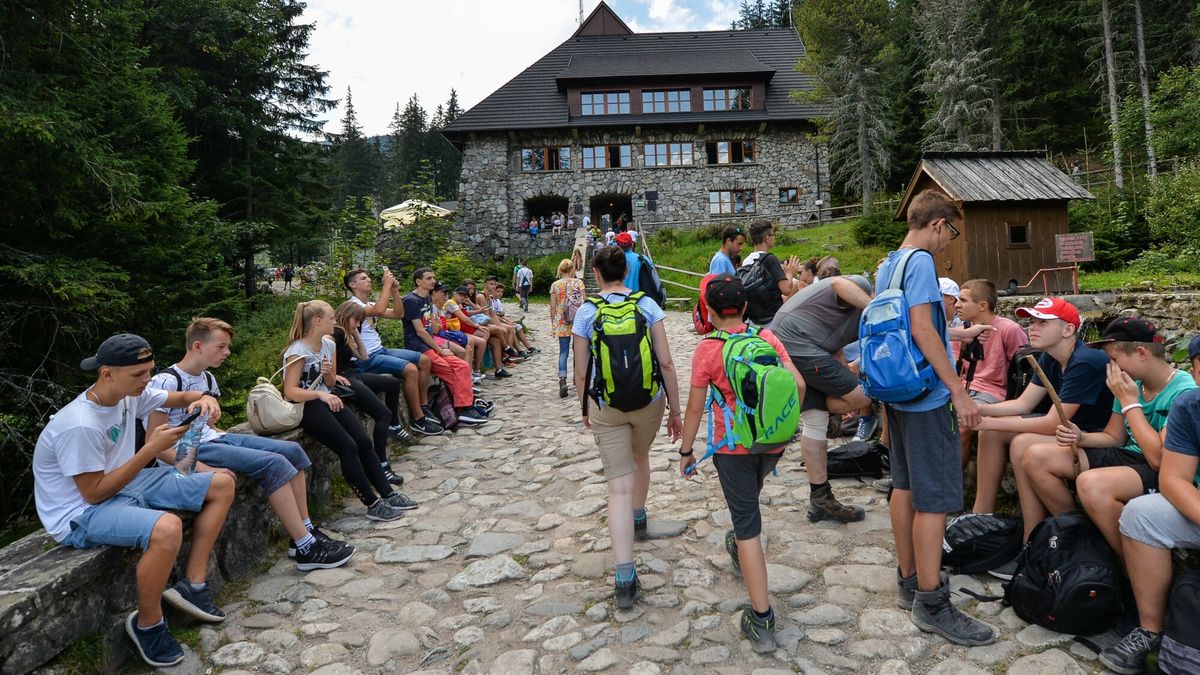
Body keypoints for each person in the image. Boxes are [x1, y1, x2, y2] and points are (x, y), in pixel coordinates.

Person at [32, 334, 230, 667]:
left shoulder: (130, 394)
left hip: (124, 484)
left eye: (149, 371)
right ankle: (149, 625)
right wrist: (150, 450)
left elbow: (180, 395)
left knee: (222, 483)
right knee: (166, 528)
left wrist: (204, 398)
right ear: (107, 373)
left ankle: (193, 585)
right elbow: (94, 492)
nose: (147, 380)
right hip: (80, 513)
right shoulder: (79, 425)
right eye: (138, 374)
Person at [876, 189, 996, 646]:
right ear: (939, 223)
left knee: (904, 486)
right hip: (926, 396)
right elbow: (923, 328)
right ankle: (932, 600)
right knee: (935, 499)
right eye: (952, 231)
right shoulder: (922, 263)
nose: (949, 241)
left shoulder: (889, 262)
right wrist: (959, 391)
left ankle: (908, 580)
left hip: (897, 390)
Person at [148, 318, 355, 571]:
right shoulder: (165, 382)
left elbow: (209, 428)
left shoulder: (208, 379)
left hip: (212, 439)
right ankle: (306, 547)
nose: (227, 352)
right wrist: (203, 468)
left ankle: (305, 530)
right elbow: (155, 446)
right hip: (186, 450)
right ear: (198, 346)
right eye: (221, 346)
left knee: (293, 450)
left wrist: (229, 438)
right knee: (275, 464)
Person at [679, 276, 805, 653]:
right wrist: (782, 427)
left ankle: (761, 618)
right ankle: (738, 544)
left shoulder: (707, 350)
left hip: (731, 448)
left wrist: (686, 452)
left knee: (748, 525)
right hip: (772, 444)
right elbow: (797, 385)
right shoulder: (767, 339)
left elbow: (694, 407)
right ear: (746, 308)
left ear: (711, 312)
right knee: (749, 502)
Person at [572, 247, 683, 610]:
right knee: (642, 455)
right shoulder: (648, 306)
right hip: (649, 403)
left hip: (607, 406)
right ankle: (639, 515)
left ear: (595, 272)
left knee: (617, 486)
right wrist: (676, 411)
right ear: (626, 269)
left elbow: (580, 370)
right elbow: (665, 362)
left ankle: (624, 576)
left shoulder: (587, 312)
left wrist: (585, 405)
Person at [970, 297, 1115, 554]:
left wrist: (981, 422)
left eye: (1043, 322)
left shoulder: (1086, 361)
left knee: (1020, 442)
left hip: (1092, 439)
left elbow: (1052, 423)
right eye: (1031, 321)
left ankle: (1037, 536)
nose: (1032, 327)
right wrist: (973, 409)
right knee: (992, 433)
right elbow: (1023, 405)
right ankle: (981, 517)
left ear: (1068, 330)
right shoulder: (1049, 358)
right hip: (1066, 434)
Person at [1099, 335, 1200, 674]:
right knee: (1140, 514)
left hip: (1144, 461)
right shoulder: (1191, 405)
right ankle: (1150, 630)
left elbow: (1155, 460)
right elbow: (1173, 478)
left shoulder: (1177, 391)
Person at [1054, 319, 1196, 556]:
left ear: (1141, 353)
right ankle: (1076, 539)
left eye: (1115, 360)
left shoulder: (1184, 391)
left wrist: (1131, 403)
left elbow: (1158, 460)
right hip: (1131, 454)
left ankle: (1127, 561)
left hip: (1164, 468)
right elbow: (1114, 436)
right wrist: (1082, 437)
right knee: (1037, 455)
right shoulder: (1133, 384)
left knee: (1091, 484)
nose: (1111, 368)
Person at [282, 301, 415, 522]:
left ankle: (388, 493)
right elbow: (291, 392)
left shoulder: (328, 345)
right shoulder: (297, 351)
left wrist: (327, 377)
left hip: (328, 399)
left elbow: (331, 381)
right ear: (317, 321)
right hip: (308, 405)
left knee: (363, 441)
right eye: (331, 318)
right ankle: (372, 504)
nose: (335, 322)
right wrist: (321, 394)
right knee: (348, 447)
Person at [768, 273, 875, 523]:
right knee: (863, 396)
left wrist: (843, 369)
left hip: (793, 343)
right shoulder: (862, 287)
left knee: (815, 420)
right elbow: (838, 283)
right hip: (799, 343)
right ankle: (825, 409)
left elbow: (835, 346)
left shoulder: (850, 314)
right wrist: (874, 308)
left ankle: (820, 498)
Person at [333, 298, 443, 450]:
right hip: (347, 375)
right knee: (383, 414)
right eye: (357, 321)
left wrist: (355, 334)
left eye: (360, 322)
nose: (358, 325)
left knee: (393, 383)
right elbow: (326, 346)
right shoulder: (337, 333)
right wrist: (332, 375)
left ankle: (396, 424)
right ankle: (410, 424)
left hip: (353, 371)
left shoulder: (346, 333)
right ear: (346, 316)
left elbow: (362, 355)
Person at [953, 279, 1029, 464]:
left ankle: (951, 485)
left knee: (961, 428)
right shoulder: (960, 331)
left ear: (982, 306)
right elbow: (953, 367)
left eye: (963, 300)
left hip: (994, 391)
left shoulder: (1009, 329)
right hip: (964, 388)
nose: (957, 305)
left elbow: (1024, 368)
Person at [404, 269, 491, 426]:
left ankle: (466, 406)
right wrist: (439, 349)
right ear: (418, 282)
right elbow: (420, 332)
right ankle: (463, 407)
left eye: (433, 277)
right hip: (420, 347)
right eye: (429, 278)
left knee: (462, 365)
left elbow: (433, 328)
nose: (433, 280)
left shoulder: (426, 300)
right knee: (452, 368)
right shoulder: (411, 300)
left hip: (430, 344)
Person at [739, 219, 801, 325]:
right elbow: (786, 290)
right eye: (772, 235)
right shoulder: (770, 259)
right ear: (767, 238)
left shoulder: (747, 260)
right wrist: (790, 273)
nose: (774, 237)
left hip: (754, 319)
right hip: (772, 319)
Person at [450, 286, 510, 379]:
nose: (462, 297)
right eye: (460, 294)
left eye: (464, 295)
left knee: (496, 341)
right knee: (489, 333)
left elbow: (468, 314)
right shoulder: (452, 303)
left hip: (468, 327)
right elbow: (464, 319)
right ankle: (476, 369)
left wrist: (478, 311)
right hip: (462, 329)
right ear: (454, 293)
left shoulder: (459, 303)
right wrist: (477, 325)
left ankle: (499, 369)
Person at [549, 258, 585, 398]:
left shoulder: (555, 285)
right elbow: (584, 301)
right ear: (572, 269)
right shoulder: (578, 282)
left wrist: (553, 321)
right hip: (577, 319)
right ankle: (577, 377)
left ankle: (562, 380)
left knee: (563, 351)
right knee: (578, 350)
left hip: (561, 320)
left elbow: (553, 305)